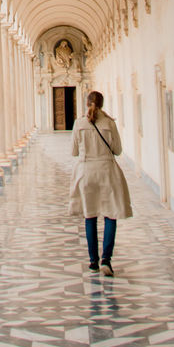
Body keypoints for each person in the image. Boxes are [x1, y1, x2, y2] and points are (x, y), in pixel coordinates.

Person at [69, 90, 132, 276]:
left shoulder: (79, 123)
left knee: (90, 216)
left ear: (86, 103)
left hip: (86, 172)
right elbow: (118, 150)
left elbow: (73, 151)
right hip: (106, 172)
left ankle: (93, 261)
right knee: (110, 214)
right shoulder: (109, 123)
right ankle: (106, 259)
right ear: (102, 104)